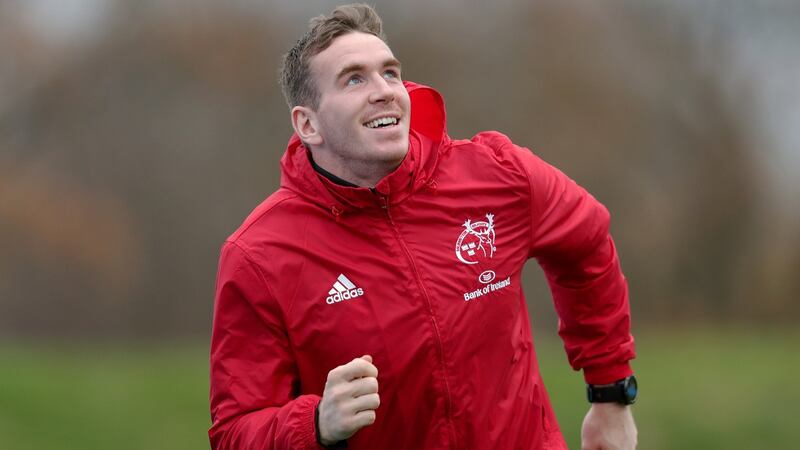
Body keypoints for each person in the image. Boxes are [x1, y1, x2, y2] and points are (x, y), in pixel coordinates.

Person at [209, 4, 637, 449]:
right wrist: (313, 424)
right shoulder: (259, 254)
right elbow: (234, 431)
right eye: (354, 78)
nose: (384, 91)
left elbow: (587, 243)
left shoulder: (498, 174)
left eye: (390, 73)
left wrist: (610, 394)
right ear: (308, 124)